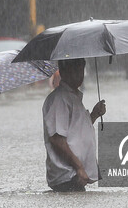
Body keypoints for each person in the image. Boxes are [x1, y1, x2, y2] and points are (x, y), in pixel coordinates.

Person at [43, 58, 106, 192]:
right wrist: (79, 167)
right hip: (67, 176)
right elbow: (57, 139)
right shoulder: (59, 99)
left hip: (76, 176)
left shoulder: (73, 97)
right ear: (63, 71)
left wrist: (94, 115)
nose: (79, 75)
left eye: (80, 70)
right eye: (74, 70)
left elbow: (76, 130)